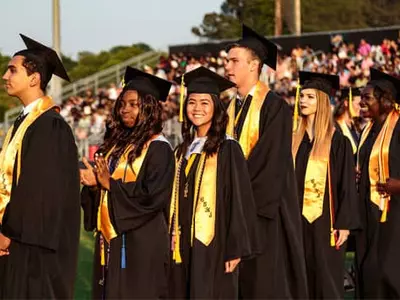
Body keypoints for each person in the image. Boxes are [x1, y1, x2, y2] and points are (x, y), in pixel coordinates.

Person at [224, 24, 308, 299]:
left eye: (234, 61)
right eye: (227, 60)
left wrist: (237, 199)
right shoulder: (229, 108)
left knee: (260, 284)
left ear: (254, 65)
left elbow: (268, 165)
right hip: (233, 210)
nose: (227, 66)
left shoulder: (274, 107)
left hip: (260, 212)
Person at [80, 67, 175, 299]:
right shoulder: (118, 147)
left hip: (142, 243)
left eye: (133, 104)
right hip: (113, 238)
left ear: (149, 107)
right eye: (122, 104)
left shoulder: (159, 148)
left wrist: (110, 185)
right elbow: (104, 190)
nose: (125, 110)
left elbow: (153, 197)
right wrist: (94, 185)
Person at [0, 34, 80, 298]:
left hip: (31, 247)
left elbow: (39, 192)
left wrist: (8, 233)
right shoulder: (23, 123)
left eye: (13, 70)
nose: (5, 76)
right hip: (16, 242)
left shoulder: (49, 126)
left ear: (34, 78)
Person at [168, 66, 258, 298]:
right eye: (192, 102)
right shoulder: (181, 151)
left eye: (204, 102)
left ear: (216, 107)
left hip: (215, 244)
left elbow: (239, 201)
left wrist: (235, 247)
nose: (197, 108)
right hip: (182, 241)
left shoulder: (228, 148)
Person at [292, 71, 360, 299]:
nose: (303, 101)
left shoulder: (337, 142)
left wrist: (344, 223)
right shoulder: (293, 142)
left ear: (322, 102)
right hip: (296, 223)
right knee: (299, 279)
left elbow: (347, 186)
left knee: (326, 280)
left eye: (310, 97)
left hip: (327, 224)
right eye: (302, 96)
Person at [355, 68, 400, 298]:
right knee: (367, 269)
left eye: (367, 97)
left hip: (394, 215)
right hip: (368, 213)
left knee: (388, 272)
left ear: (385, 101)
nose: (361, 102)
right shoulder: (367, 131)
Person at [334, 87, 362, 155]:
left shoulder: (356, 126)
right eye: (358, 104)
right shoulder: (335, 127)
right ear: (346, 103)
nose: (360, 108)